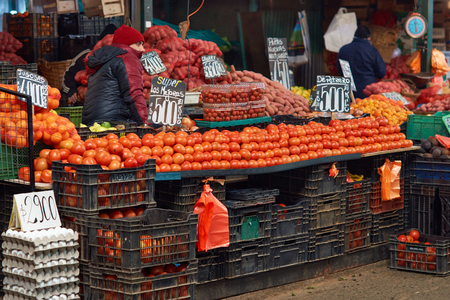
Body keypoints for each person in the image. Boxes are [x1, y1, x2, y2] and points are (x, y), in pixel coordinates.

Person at [82, 25, 149, 126]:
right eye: (139, 44)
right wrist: (147, 124)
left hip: (95, 123)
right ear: (128, 44)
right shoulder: (128, 58)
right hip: (115, 123)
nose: (143, 49)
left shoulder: (105, 58)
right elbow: (134, 94)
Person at [61, 24, 118, 106]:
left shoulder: (120, 58)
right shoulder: (86, 55)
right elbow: (68, 75)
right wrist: (71, 89)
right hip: (85, 103)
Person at [336, 25, 386, 99]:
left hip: (348, 91)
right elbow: (381, 72)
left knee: (349, 110)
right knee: (366, 109)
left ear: (355, 36)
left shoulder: (344, 49)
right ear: (368, 38)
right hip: (367, 90)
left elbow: (339, 70)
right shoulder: (372, 50)